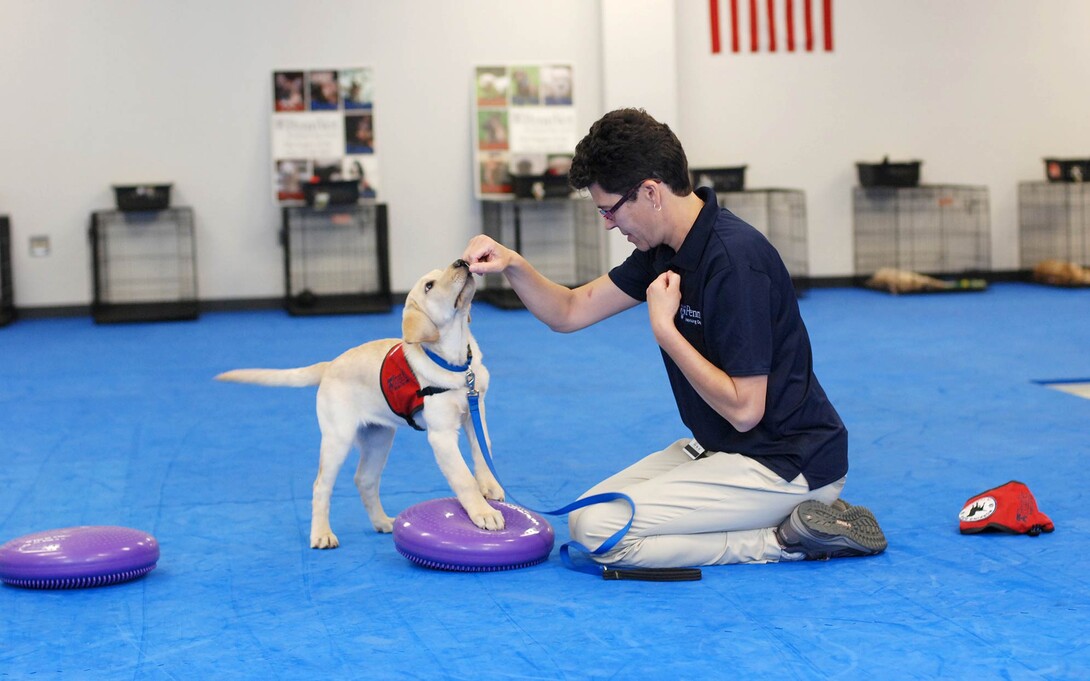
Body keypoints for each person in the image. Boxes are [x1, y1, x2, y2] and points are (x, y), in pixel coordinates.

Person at [462, 108, 887, 570]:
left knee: (601, 533)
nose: (607, 224)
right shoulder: (662, 249)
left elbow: (746, 411)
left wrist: (665, 330)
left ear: (650, 192)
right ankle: (799, 522)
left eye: (609, 209)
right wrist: (513, 264)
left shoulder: (735, 263)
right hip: (726, 448)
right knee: (587, 515)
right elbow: (568, 310)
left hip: (788, 463)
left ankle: (784, 539)